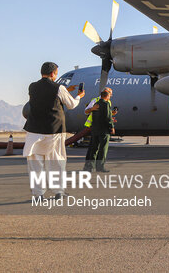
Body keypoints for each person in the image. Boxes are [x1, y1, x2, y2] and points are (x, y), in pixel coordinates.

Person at [23, 62, 84, 199]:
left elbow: (40, 100)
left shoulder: (32, 87)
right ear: (53, 74)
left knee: (35, 163)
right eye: (56, 73)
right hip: (54, 129)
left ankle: (38, 194)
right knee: (56, 161)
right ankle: (58, 192)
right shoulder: (59, 87)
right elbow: (71, 104)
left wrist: (65, 90)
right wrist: (79, 96)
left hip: (33, 130)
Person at [83, 89, 114, 172]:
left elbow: (105, 114)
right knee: (102, 149)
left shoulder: (99, 102)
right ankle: (98, 167)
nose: (111, 96)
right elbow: (86, 111)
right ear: (107, 94)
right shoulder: (99, 101)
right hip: (103, 130)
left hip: (95, 129)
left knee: (93, 148)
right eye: (110, 94)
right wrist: (111, 127)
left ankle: (90, 167)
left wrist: (111, 114)